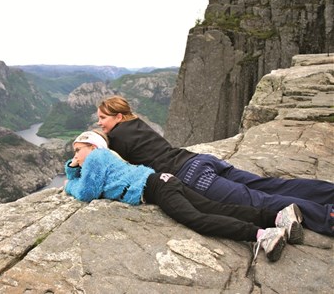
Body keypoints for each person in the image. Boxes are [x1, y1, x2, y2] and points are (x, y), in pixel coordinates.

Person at [96, 95, 334, 237]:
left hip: (190, 176)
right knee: (270, 185)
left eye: (103, 118)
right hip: (200, 160)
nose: (100, 123)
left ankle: (327, 217)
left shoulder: (116, 138)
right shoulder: (138, 123)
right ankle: (328, 193)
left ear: (118, 117)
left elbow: (100, 160)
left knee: (258, 200)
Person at [64, 130, 304, 263]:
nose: (75, 156)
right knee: (215, 207)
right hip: (165, 179)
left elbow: (85, 192)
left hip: (156, 188)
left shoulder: (96, 157)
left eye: (77, 150)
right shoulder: (104, 159)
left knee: (197, 219)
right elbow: (89, 184)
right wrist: (74, 166)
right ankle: (277, 218)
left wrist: (69, 179)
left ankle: (261, 235)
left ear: (93, 147)